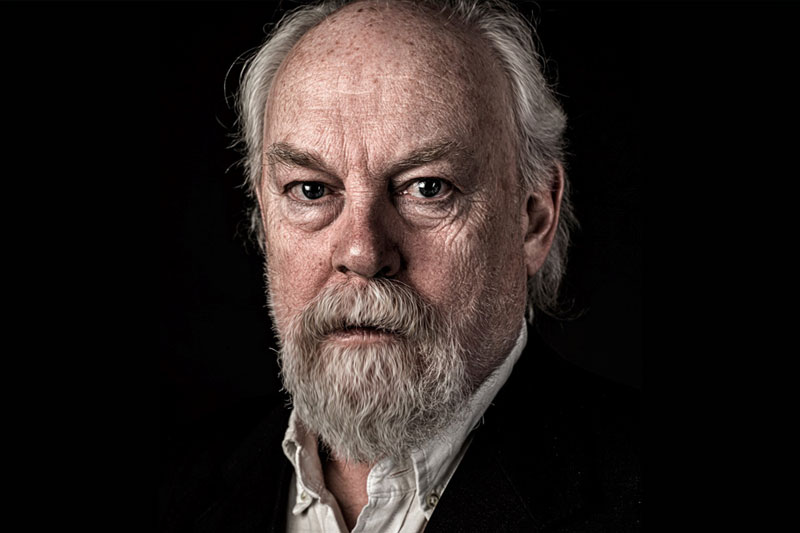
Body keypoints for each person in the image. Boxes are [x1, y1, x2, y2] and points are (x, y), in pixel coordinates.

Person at [159, 1, 640, 531]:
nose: (363, 253)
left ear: (533, 218)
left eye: (428, 188)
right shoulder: (173, 488)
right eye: (312, 190)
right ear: (264, 217)